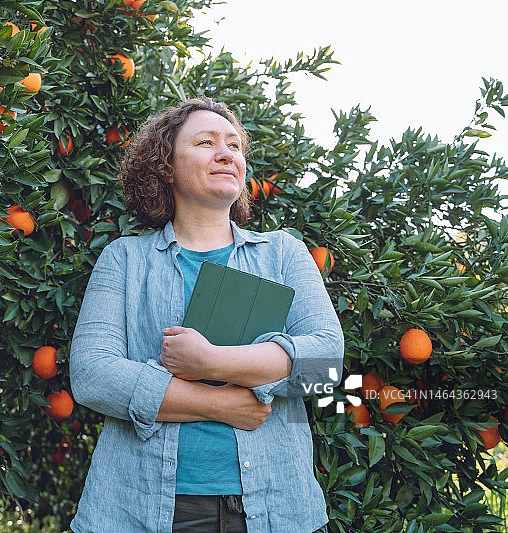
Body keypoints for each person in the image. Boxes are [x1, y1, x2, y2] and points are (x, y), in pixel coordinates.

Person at [68, 97, 344, 533]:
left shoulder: (282, 252)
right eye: (206, 142)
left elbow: (326, 368)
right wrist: (220, 404)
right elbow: (91, 376)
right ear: (166, 166)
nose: (226, 153)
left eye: (234, 146)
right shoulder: (125, 259)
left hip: (279, 507)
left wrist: (211, 361)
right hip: (145, 508)